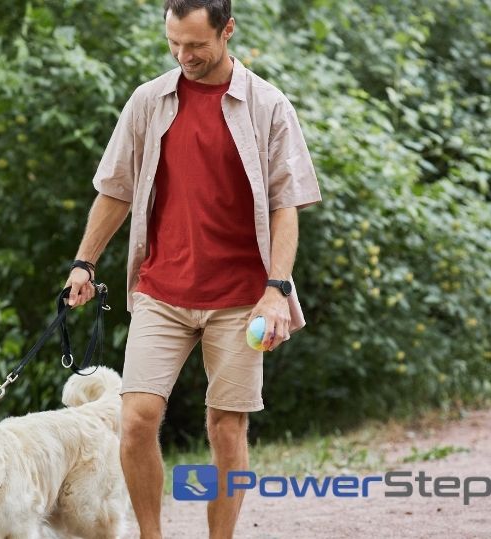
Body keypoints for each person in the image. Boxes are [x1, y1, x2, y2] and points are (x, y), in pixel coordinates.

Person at [63, 1, 322, 537]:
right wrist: (84, 262)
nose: (184, 56)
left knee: (226, 428)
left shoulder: (267, 106)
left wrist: (276, 290)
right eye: (174, 44)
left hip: (241, 298)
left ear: (228, 31)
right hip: (162, 290)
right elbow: (115, 190)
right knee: (134, 421)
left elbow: (286, 204)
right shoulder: (148, 103)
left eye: (196, 45)